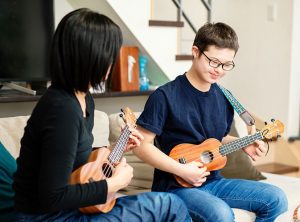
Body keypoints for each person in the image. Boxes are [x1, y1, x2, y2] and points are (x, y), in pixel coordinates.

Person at [13, 8, 191, 222]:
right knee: (169, 204)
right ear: (89, 56)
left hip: (72, 209)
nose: (111, 62)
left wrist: (115, 150)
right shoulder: (62, 110)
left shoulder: (83, 98)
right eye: (108, 54)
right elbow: (52, 197)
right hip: (45, 217)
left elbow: (74, 162)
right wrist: (115, 183)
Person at [134, 22, 288, 222]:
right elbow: (141, 146)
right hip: (175, 187)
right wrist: (181, 170)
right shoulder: (165, 95)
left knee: (277, 199)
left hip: (213, 181)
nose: (219, 70)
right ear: (196, 52)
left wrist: (243, 145)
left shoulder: (225, 97)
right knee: (221, 214)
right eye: (214, 62)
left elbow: (217, 138)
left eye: (227, 65)